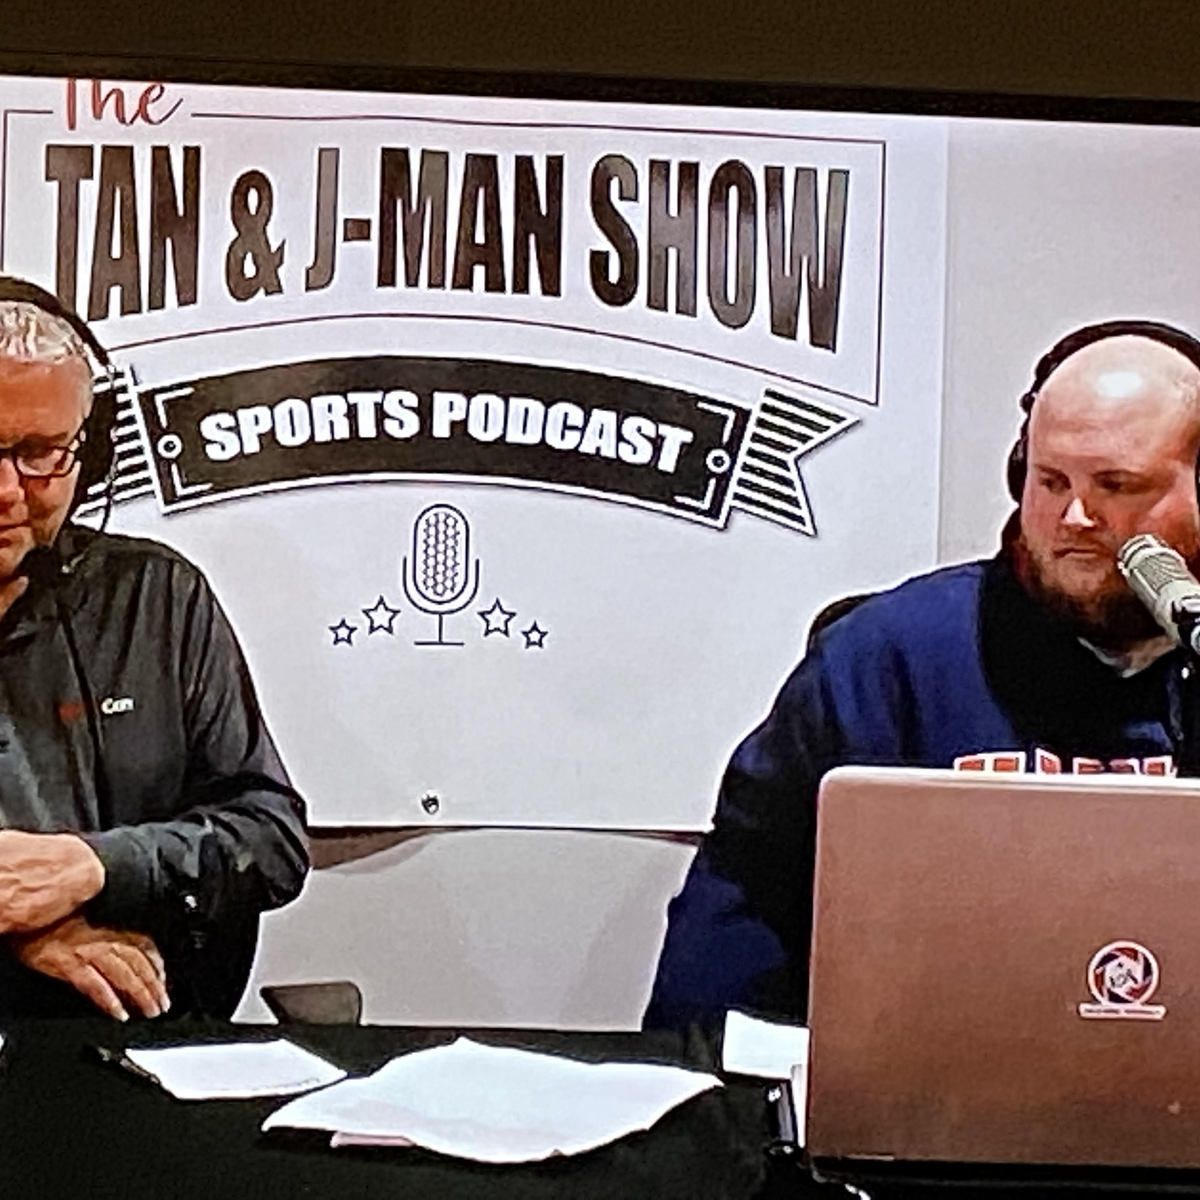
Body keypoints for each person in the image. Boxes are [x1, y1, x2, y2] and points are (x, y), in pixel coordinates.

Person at [645, 320, 1200, 1030]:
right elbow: (741, 912)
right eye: (1050, 481)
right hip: (932, 1086)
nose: (1075, 517)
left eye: (1116, 485)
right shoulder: (885, 659)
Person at [0, 279, 309, 1021]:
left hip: (147, 1044)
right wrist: (22, 937)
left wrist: (95, 867)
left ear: (92, 451)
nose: (6, 489)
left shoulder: (160, 599)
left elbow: (270, 840)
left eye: (39, 453)